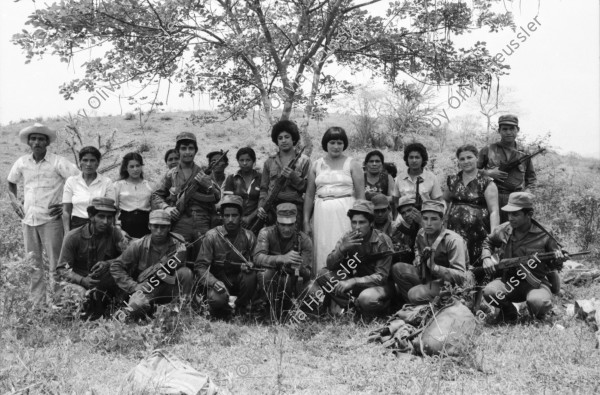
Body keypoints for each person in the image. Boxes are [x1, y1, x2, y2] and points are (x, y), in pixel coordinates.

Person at [7, 123, 79, 306]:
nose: (37, 142)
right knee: (33, 264)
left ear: (47, 142)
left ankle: (60, 303)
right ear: (29, 142)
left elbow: (78, 181)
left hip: (51, 220)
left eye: (41, 139)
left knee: (56, 264)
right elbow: (11, 182)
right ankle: (37, 304)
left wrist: (65, 206)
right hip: (28, 219)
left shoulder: (58, 162)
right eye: (33, 139)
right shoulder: (22, 162)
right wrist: (15, 201)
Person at [480, 192, 566, 323]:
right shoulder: (504, 229)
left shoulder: (544, 234)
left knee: (538, 302)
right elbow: (488, 241)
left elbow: (555, 265)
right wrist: (486, 257)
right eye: (509, 213)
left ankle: (538, 314)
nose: (510, 218)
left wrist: (559, 260)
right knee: (490, 292)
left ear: (529, 214)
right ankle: (508, 312)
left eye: (515, 214)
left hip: (536, 283)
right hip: (509, 281)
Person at [308, 201, 395, 318]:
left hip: (379, 286)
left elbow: (381, 277)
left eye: (362, 222)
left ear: (371, 223)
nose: (357, 226)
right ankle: (352, 307)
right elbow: (330, 266)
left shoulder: (382, 241)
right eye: (354, 222)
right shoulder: (347, 237)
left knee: (366, 298)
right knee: (323, 274)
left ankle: (380, 308)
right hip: (356, 284)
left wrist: (353, 281)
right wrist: (342, 249)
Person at [304, 127, 365, 273]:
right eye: (332, 142)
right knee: (322, 246)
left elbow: (361, 196)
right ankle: (321, 283)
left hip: (345, 213)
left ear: (344, 144)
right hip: (321, 214)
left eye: (339, 142)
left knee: (342, 246)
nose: (336, 146)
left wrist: (359, 222)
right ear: (326, 144)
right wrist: (306, 221)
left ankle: (343, 287)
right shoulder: (316, 164)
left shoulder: (353, 164)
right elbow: (309, 195)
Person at [110, 209, 193, 317]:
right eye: (155, 226)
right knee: (136, 306)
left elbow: (181, 274)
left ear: (169, 227)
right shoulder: (139, 245)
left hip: (169, 288)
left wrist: (179, 258)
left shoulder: (178, 243)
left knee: (185, 272)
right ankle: (146, 310)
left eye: (163, 227)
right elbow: (116, 266)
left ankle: (182, 309)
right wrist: (134, 286)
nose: (159, 231)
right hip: (147, 288)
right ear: (149, 226)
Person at [152, 132, 221, 255]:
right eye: (183, 148)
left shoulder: (205, 173)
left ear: (195, 151)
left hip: (202, 221)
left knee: (204, 257)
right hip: (179, 221)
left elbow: (217, 197)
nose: (187, 152)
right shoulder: (171, 174)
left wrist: (209, 185)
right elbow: (156, 195)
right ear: (178, 151)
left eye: (191, 148)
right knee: (178, 257)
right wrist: (166, 208)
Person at [56, 197, 126, 319]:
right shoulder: (73, 237)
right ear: (91, 216)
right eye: (101, 216)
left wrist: (108, 263)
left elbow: (128, 257)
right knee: (80, 299)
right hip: (79, 283)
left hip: (104, 283)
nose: (105, 222)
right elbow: (62, 269)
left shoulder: (115, 233)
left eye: (109, 217)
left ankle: (113, 309)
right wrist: (83, 281)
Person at [391, 200, 469, 305]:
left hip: (448, 283)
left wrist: (435, 267)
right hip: (427, 276)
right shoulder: (421, 233)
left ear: (443, 220)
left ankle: (433, 306)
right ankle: (414, 306)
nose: (428, 224)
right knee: (397, 269)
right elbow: (416, 247)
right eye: (425, 219)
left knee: (414, 294)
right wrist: (418, 257)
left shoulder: (453, 240)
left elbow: (461, 277)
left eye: (434, 219)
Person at [194, 195, 258, 318]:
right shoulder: (212, 236)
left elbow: (256, 260)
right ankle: (224, 310)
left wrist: (251, 265)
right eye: (227, 216)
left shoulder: (249, 236)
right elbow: (200, 267)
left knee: (251, 277)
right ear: (222, 217)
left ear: (240, 217)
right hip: (218, 281)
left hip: (239, 281)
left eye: (234, 216)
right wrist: (213, 282)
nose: (230, 220)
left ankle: (241, 308)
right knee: (217, 299)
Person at [253, 203, 313, 320]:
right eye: (283, 224)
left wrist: (299, 267)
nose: (286, 229)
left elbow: (308, 274)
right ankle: (269, 309)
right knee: (264, 273)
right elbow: (257, 258)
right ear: (276, 223)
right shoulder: (266, 233)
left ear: (296, 224)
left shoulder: (305, 240)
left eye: (290, 224)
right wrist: (281, 258)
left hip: (293, 282)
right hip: (272, 280)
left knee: (312, 289)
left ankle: (300, 312)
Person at [444, 145, 500, 265]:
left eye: (469, 157)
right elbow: (445, 201)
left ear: (477, 158)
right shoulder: (453, 180)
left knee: (477, 267)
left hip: (479, 234)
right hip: (455, 232)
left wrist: (493, 238)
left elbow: (494, 211)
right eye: (462, 159)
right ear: (458, 161)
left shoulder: (486, 182)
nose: (466, 161)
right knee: (455, 263)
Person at [478, 114, 537, 223]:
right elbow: (471, 172)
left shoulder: (524, 153)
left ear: (517, 130)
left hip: (515, 200)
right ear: (499, 130)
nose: (508, 132)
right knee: (491, 231)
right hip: (491, 197)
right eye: (504, 129)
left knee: (513, 232)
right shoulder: (488, 150)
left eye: (512, 129)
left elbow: (531, 179)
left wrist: (526, 194)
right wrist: (488, 173)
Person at [257, 120, 310, 230]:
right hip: (272, 208)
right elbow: (263, 189)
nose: (283, 140)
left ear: (293, 139)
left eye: (287, 137)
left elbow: (308, 189)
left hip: (295, 209)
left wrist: (293, 177)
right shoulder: (269, 162)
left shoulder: (304, 161)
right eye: (280, 138)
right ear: (276, 141)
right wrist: (261, 207)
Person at [62, 146, 115, 232]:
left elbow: (111, 210)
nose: (88, 164)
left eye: (92, 160)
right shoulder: (71, 181)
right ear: (80, 162)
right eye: (85, 160)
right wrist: (67, 233)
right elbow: (66, 211)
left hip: (100, 226)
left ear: (98, 163)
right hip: (77, 226)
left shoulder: (106, 182)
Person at [114, 152, 153, 238]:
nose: (135, 169)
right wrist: (118, 228)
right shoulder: (118, 185)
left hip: (145, 225)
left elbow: (154, 208)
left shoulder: (149, 185)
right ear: (125, 168)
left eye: (138, 166)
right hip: (125, 225)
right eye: (131, 166)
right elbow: (114, 209)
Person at [223, 147, 262, 229]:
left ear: (254, 161)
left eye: (248, 160)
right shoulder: (232, 178)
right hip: (235, 221)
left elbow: (263, 201)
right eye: (241, 160)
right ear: (238, 161)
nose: (244, 163)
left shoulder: (260, 178)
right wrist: (238, 218)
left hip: (257, 220)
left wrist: (250, 217)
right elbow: (228, 203)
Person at [363, 150, 398, 217]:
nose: (374, 164)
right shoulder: (360, 178)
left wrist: (380, 197)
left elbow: (394, 198)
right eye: (371, 161)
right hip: (364, 214)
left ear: (382, 164)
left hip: (383, 214)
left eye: (377, 161)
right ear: (366, 164)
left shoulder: (388, 177)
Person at [390, 196, 422, 263]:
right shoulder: (409, 226)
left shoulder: (425, 223)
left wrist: (421, 222)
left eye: (409, 210)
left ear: (417, 210)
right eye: (403, 213)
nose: (406, 215)